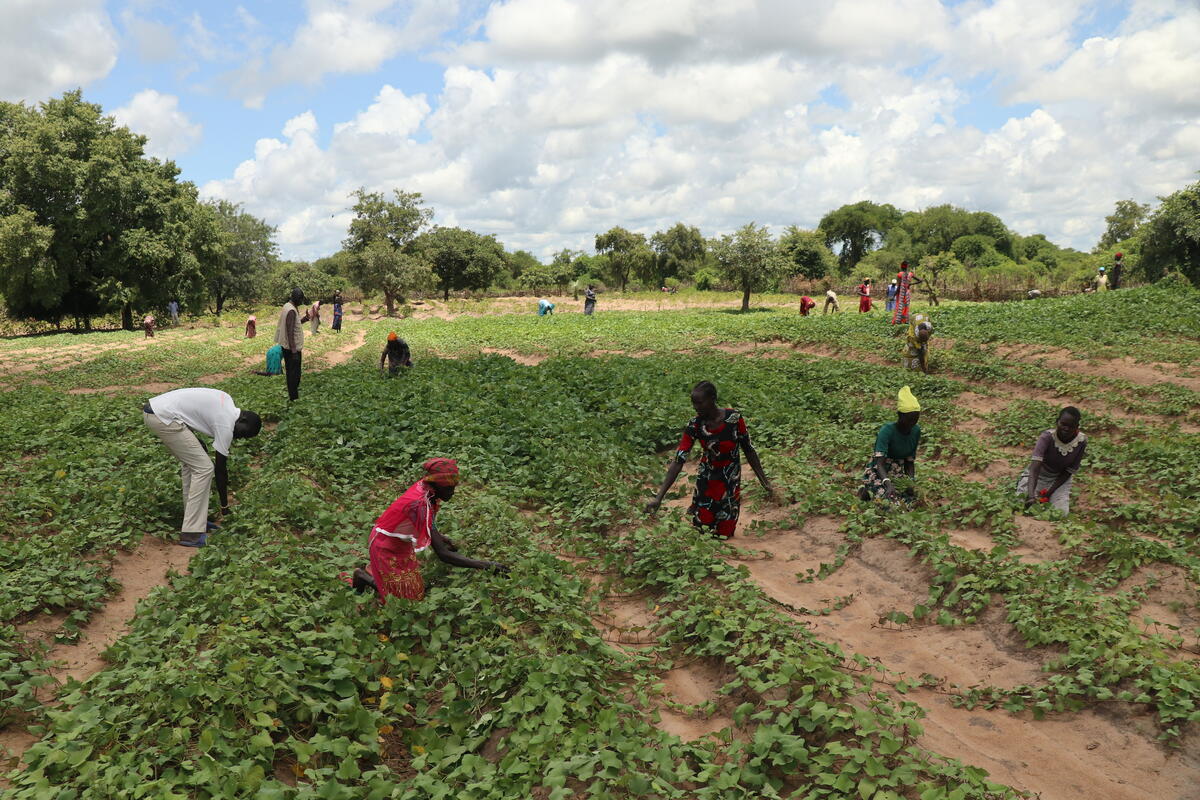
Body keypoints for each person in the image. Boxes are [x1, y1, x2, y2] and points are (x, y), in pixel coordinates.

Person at [346, 458, 508, 602]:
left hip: (398, 542)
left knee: (414, 591)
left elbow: (426, 523)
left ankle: (377, 577)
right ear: (436, 485)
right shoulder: (420, 503)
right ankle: (362, 577)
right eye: (448, 489)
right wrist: (486, 565)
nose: (452, 492)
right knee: (403, 602)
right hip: (385, 545)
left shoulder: (427, 491)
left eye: (453, 487)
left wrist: (440, 537)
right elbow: (443, 555)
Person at [645, 381, 775, 539]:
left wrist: (765, 482)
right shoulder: (695, 425)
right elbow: (679, 459)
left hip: (730, 484)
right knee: (702, 532)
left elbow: (749, 450)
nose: (696, 407)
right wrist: (659, 497)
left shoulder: (733, 419)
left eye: (699, 403)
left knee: (725, 534)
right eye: (693, 403)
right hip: (706, 482)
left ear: (713, 398)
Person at [143, 388, 261, 547]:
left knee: (193, 465)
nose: (239, 438)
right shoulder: (226, 424)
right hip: (162, 417)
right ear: (243, 420)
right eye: (244, 433)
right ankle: (191, 533)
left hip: (158, 410)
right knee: (204, 468)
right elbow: (221, 470)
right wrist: (224, 506)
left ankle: (194, 520)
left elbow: (192, 410)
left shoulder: (227, 401)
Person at [1017, 407, 1086, 516]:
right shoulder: (1047, 437)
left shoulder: (1081, 442)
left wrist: (1048, 493)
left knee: (1061, 513)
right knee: (1020, 502)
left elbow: (1069, 471)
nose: (1066, 429)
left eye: (1071, 426)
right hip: (1038, 476)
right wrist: (1031, 496)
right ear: (1057, 422)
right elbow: (1034, 469)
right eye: (1063, 424)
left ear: (1077, 427)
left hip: (1058, 481)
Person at [858, 386, 922, 504]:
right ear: (899, 415)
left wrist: (910, 483)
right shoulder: (887, 431)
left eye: (915, 419)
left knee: (910, 500)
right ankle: (866, 490)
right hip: (878, 470)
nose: (912, 423)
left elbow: (909, 462)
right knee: (889, 501)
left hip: (896, 471)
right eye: (909, 419)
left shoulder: (916, 431)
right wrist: (888, 484)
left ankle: (870, 492)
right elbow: (879, 463)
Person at [275, 288, 306, 401]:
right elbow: (290, 331)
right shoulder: (291, 311)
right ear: (296, 298)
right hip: (291, 349)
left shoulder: (287, 306)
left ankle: (293, 395)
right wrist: (294, 352)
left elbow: (294, 324)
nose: (301, 302)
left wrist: (306, 319)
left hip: (287, 347)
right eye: (300, 299)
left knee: (292, 373)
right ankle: (294, 398)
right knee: (294, 375)